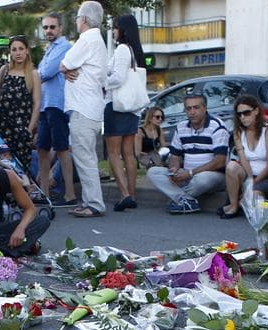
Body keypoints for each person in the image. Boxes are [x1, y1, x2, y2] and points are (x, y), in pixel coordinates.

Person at [61, 1, 108, 218]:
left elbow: (64, 64)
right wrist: (68, 70)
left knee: (84, 156)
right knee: (86, 155)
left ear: (85, 19)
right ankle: (90, 201)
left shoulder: (87, 38)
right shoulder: (97, 40)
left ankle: (94, 203)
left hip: (83, 107)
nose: (77, 21)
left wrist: (67, 70)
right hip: (91, 107)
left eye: (78, 17)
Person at [146, 93, 229, 214]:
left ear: (205, 108)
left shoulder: (217, 127)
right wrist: (174, 169)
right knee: (153, 172)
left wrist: (190, 173)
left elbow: (220, 161)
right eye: (188, 108)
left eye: (196, 107)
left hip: (213, 176)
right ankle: (186, 201)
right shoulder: (181, 127)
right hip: (187, 175)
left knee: (203, 179)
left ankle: (178, 198)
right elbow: (175, 155)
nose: (192, 112)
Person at [104, 14, 145, 212]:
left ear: (122, 29)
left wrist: (102, 82)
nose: (113, 31)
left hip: (117, 105)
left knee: (113, 152)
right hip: (131, 107)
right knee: (128, 153)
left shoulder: (121, 49)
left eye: (115, 27)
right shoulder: (135, 49)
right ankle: (132, 194)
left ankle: (124, 194)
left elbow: (118, 78)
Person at [0, 35, 40, 194]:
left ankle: (24, 202)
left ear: (27, 51)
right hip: (2, 125)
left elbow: (37, 103)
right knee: (2, 164)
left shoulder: (33, 74)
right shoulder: (4, 70)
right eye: (14, 49)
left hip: (21, 128)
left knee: (20, 167)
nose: (18, 53)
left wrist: (30, 129)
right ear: (10, 52)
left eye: (21, 49)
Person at [36, 13, 75, 206]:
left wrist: (35, 76)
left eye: (52, 27)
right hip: (45, 104)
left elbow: (46, 72)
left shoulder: (64, 47)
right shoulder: (49, 49)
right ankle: (44, 194)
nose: (49, 31)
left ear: (60, 28)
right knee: (42, 149)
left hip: (57, 105)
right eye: (45, 27)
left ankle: (69, 195)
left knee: (62, 149)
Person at [221, 94, 268, 219]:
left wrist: (254, 183)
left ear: (256, 111)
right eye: (239, 114)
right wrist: (250, 181)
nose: (242, 117)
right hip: (248, 174)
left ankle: (249, 200)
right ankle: (234, 206)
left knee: (253, 201)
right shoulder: (238, 132)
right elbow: (243, 158)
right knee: (231, 166)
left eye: (246, 113)